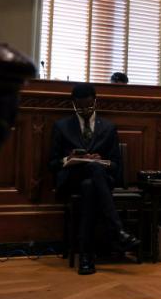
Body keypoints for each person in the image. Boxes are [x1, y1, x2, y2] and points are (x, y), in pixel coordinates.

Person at [48, 83, 139, 275]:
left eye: (89, 106)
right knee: (92, 173)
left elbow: (116, 166)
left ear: (95, 102)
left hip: (98, 181)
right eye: (80, 107)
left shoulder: (108, 127)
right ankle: (118, 230)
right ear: (74, 105)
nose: (85, 111)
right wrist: (69, 158)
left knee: (91, 183)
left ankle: (86, 257)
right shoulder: (62, 126)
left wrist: (100, 161)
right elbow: (52, 163)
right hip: (72, 179)